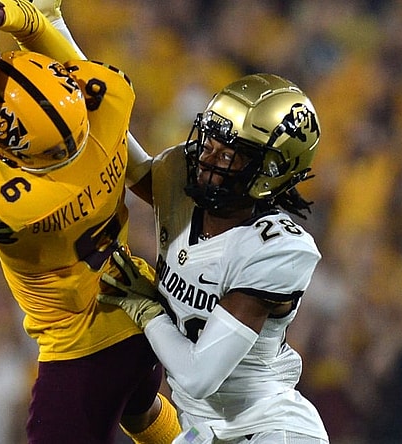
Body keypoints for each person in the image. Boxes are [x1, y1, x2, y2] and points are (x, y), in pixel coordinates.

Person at [0, 0, 181, 443]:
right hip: (140, 306)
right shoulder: (108, 102)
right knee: (142, 410)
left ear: (20, 153)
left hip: (81, 347)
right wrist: (0, 15)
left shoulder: (11, 206)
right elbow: (41, 24)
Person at [99, 73, 331, 443]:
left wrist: (149, 312)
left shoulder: (275, 249)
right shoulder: (184, 189)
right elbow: (105, 129)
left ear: (269, 171)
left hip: (268, 427)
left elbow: (199, 376)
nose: (208, 159)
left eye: (228, 154)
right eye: (210, 143)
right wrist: (47, 30)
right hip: (201, 431)